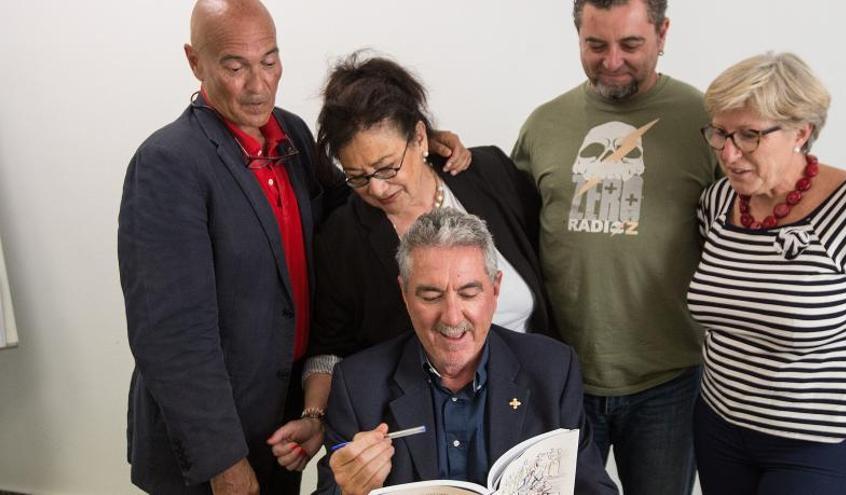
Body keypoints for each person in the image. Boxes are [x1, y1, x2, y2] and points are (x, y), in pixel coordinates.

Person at [117, 1, 469, 493]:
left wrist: (422, 150)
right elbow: (170, 334)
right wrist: (225, 463)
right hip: (212, 446)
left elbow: (355, 202)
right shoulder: (168, 164)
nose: (258, 84)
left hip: (280, 430)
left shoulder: (294, 137)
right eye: (235, 66)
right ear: (196, 62)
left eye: (269, 60)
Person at [266, 53, 557, 471]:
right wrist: (315, 416)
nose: (378, 188)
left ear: (421, 138)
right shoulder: (343, 237)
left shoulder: (488, 172)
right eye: (358, 176)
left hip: (528, 412)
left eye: (387, 167)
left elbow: (547, 267)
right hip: (422, 439)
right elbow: (329, 349)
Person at [510, 1, 718, 493]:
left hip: (668, 377)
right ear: (577, 35)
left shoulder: (705, 121)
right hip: (563, 377)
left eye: (630, 44)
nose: (612, 61)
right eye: (595, 45)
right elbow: (509, 232)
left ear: (663, 33)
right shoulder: (544, 124)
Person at [312, 208, 618, 495]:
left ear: (495, 290)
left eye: (469, 293)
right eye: (431, 296)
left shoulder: (552, 369)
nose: (452, 317)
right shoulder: (357, 384)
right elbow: (329, 488)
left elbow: (593, 488)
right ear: (404, 294)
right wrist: (348, 490)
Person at [687, 52, 846, 494]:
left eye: (750, 136)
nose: (729, 154)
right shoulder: (717, 202)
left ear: (801, 131)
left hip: (826, 444)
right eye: (720, 133)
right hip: (720, 427)